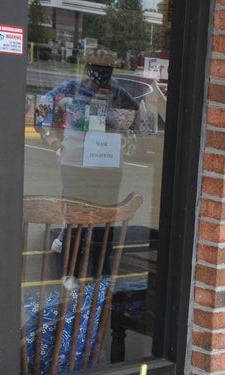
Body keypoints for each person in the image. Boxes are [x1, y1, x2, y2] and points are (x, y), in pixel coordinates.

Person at [36, 53, 139, 253]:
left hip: (107, 162)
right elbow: (42, 106)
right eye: (98, 68)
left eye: (107, 68)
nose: (103, 73)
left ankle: (94, 255)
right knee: (76, 209)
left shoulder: (116, 92)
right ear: (87, 67)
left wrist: (127, 130)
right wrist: (50, 137)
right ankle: (68, 246)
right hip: (75, 162)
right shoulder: (71, 87)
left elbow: (137, 109)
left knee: (103, 213)